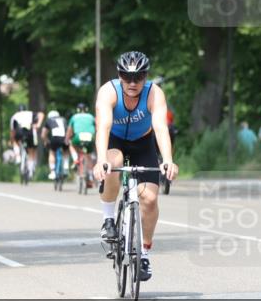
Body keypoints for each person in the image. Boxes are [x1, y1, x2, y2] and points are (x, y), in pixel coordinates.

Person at [92, 51, 178, 282]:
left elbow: (160, 127)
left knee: (149, 200)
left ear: (145, 77)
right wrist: (101, 159)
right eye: (126, 76)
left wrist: (168, 159)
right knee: (114, 163)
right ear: (119, 75)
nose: (132, 83)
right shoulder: (109, 91)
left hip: (143, 144)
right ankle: (109, 219)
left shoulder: (154, 93)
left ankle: (145, 251)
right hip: (115, 141)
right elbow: (103, 127)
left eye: (138, 77)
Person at [9, 103, 42, 180]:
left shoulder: (14, 115)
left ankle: (18, 157)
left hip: (19, 132)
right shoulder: (30, 113)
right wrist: (38, 124)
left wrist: (11, 140)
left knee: (15, 142)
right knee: (31, 152)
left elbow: (12, 130)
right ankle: (30, 171)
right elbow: (41, 114)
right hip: (30, 133)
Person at [67, 103, 97, 183]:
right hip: (90, 137)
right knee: (88, 155)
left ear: (77, 110)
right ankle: (90, 176)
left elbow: (69, 130)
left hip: (78, 137)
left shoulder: (74, 117)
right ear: (86, 109)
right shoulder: (91, 116)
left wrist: (67, 139)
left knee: (71, 144)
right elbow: (97, 127)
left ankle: (76, 158)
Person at [42, 109, 68, 179]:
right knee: (65, 152)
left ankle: (53, 172)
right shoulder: (63, 119)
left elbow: (43, 134)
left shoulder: (49, 120)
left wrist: (46, 140)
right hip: (64, 138)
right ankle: (66, 168)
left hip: (55, 138)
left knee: (52, 152)